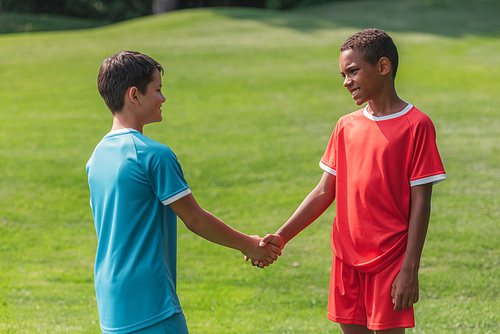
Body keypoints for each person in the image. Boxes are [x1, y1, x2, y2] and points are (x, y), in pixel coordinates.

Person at [256, 29, 446, 333]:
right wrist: (282, 236)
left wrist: (410, 267)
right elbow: (323, 191)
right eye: (343, 74)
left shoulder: (416, 125)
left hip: (391, 260)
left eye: (353, 71)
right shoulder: (346, 126)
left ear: (383, 67)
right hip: (345, 259)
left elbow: (422, 203)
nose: (347, 82)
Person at [86, 51, 281, 334]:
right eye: (157, 90)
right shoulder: (152, 155)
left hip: (111, 299)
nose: (163, 99)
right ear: (134, 95)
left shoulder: (97, 157)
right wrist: (248, 244)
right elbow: (195, 219)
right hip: (151, 303)